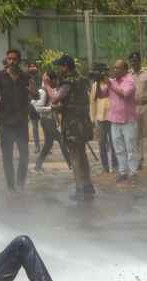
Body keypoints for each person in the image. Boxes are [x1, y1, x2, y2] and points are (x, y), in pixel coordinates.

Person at [45, 54, 95, 200]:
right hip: (84, 121)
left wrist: (47, 85)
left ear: (65, 67)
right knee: (82, 154)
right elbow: (75, 101)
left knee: (74, 156)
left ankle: (79, 188)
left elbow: (55, 98)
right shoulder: (82, 79)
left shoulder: (68, 82)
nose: (58, 69)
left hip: (73, 124)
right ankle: (88, 185)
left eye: (59, 66)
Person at [0, 49, 36, 193]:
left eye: (14, 59)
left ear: (19, 60)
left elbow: (35, 96)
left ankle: (20, 182)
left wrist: (33, 89)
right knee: (7, 156)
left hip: (21, 122)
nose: (11, 62)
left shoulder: (25, 77)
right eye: (9, 59)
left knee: (24, 155)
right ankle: (10, 186)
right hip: (6, 123)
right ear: (6, 60)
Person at [107, 58, 139, 182]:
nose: (115, 70)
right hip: (114, 119)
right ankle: (122, 171)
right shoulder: (112, 81)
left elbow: (124, 94)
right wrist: (98, 83)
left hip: (128, 120)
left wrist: (110, 84)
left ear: (125, 69)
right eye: (114, 67)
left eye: (118, 68)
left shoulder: (130, 80)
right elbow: (101, 94)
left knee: (131, 147)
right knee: (118, 148)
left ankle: (133, 172)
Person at [33, 71, 71, 172]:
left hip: (50, 120)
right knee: (61, 140)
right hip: (46, 120)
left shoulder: (51, 90)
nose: (57, 82)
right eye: (55, 80)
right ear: (51, 80)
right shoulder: (43, 91)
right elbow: (38, 108)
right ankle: (71, 164)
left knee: (48, 144)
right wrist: (51, 108)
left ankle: (38, 165)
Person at [129, 52, 147, 170]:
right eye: (132, 61)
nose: (134, 63)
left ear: (140, 61)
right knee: (136, 135)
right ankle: (139, 160)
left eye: (136, 60)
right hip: (133, 107)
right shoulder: (128, 75)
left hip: (146, 106)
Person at [89, 63, 118, 174]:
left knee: (114, 142)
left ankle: (115, 165)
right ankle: (105, 166)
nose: (105, 73)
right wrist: (92, 119)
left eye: (106, 71)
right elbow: (92, 103)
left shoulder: (112, 82)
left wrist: (109, 83)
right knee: (102, 143)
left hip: (113, 117)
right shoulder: (95, 86)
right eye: (103, 71)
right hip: (100, 118)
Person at [27, 61, 42, 151]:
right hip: (32, 105)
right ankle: (37, 145)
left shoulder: (40, 77)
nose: (32, 68)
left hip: (41, 103)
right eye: (30, 66)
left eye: (34, 66)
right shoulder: (26, 77)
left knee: (45, 126)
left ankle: (48, 145)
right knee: (35, 126)